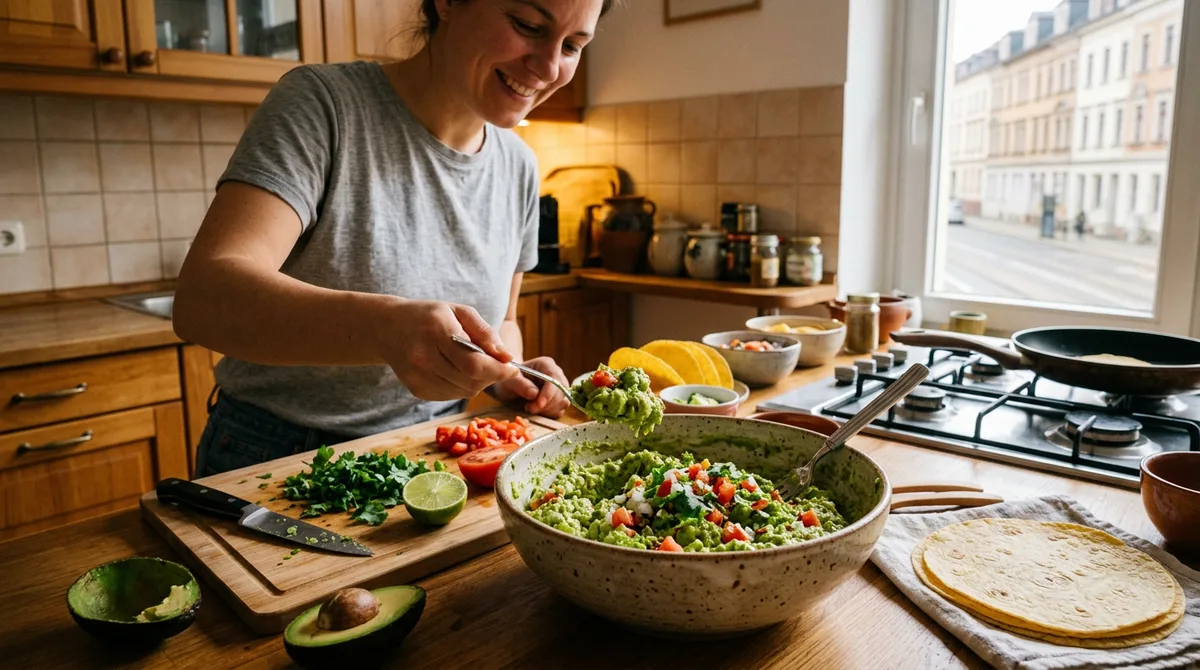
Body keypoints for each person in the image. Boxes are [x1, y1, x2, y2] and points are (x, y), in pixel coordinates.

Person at [174, 0, 614, 477]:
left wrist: (511, 375)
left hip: (439, 451)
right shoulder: (324, 104)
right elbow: (204, 299)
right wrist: (384, 329)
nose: (549, 68)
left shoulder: (519, 165)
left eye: (572, 46)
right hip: (279, 455)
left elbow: (502, 320)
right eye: (527, 25)